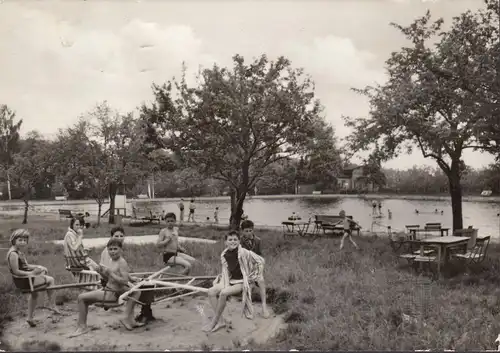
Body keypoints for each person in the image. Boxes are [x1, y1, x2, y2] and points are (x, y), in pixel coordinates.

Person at [68, 238, 144, 338]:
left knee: (81, 298)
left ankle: (82, 327)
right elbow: (120, 274)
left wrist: (110, 273)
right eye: (110, 249)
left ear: (121, 250)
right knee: (135, 291)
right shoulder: (112, 260)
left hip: (111, 294)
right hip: (109, 289)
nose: (112, 252)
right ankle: (131, 320)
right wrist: (100, 270)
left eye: (115, 249)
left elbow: (124, 281)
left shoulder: (122, 262)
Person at [203, 231, 266, 333]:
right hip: (231, 280)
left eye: (235, 239)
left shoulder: (244, 252)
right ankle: (221, 321)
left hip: (243, 282)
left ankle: (214, 322)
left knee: (223, 293)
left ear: (239, 241)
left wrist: (254, 276)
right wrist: (222, 283)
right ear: (225, 242)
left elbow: (261, 261)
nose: (233, 242)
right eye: (230, 240)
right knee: (211, 291)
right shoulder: (224, 254)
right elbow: (226, 271)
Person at [100, 226, 157, 324]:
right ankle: (142, 313)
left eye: (121, 236)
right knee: (143, 288)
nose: (119, 238)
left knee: (143, 283)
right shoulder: (109, 251)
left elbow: (120, 270)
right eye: (116, 236)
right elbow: (107, 272)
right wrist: (128, 280)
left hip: (118, 279)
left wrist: (131, 277)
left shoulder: (118, 248)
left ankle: (144, 312)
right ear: (111, 237)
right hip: (110, 282)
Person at [6, 229, 61, 327]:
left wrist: (38, 266)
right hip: (22, 280)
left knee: (34, 295)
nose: (23, 242)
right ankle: (52, 305)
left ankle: (30, 318)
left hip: (26, 278)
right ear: (14, 240)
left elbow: (26, 265)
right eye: (20, 240)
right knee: (50, 280)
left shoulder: (18, 251)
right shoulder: (13, 254)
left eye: (24, 240)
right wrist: (32, 273)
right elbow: (16, 271)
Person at [240, 220, 270, 318]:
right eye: (246, 231)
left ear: (253, 230)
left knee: (261, 281)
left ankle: (264, 307)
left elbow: (260, 255)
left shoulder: (258, 240)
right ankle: (249, 308)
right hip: (244, 268)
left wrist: (258, 266)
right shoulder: (240, 241)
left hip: (255, 267)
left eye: (250, 230)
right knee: (249, 284)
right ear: (242, 231)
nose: (248, 233)